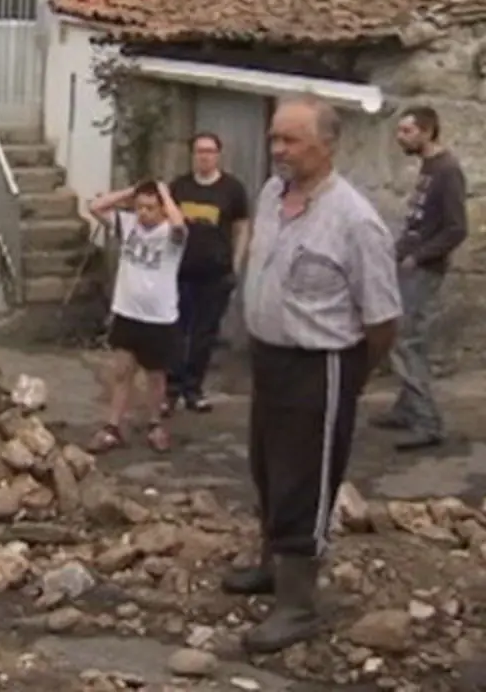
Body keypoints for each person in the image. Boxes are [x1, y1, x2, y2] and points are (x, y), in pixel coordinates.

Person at [224, 95, 401, 654]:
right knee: (268, 468)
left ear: (327, 146)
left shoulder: (356, 221)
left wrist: (352, 377)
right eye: (275, 138)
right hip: (270, 360)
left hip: (320, 364)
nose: (278, 150)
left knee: (305, 480)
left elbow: (382, 318)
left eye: (291, 141)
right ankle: (271, 566)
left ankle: (298, 607)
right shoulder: (274, 195)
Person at [370, 106, 467, 451]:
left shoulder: (448, 171)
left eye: (407, 131)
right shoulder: (430, 167)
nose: (401, 137)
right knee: (406, 337)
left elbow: (457, 228)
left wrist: (418, 256)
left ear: (428, 132)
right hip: (409, 264)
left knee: (406, 342)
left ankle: (428, 421)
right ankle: (407, 408)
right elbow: (420, 222)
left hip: (424, 270)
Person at [86, 180, 188, 454]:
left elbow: (179, 225)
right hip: (127, 311)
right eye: (140, 207)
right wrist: (131, 192)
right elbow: (95, 206)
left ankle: (155, 424)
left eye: (151, 208)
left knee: (155, 376)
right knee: (122, 372)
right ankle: (113, 426)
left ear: (162, 209)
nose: (144, 213)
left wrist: (165, 193)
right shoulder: (128, 225)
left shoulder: (171, 235)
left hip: (159, 317)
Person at [165, 132, 250, 413]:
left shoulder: (232, 189)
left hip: (216, 273)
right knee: (176, 331)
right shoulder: (179, 187)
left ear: (218, 155)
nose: (205, 156)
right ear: (192, 155)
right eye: (200, 151)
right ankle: (171, 389)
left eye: (210, 151)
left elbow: (242, 227)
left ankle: (193, 389)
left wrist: (236, 264)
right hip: (180, 271)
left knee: (205, 333)